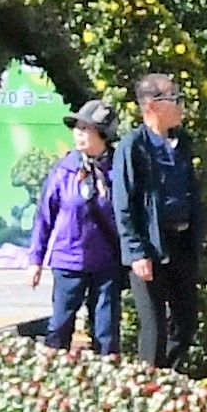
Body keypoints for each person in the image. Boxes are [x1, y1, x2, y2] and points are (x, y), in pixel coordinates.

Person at [117, 69, 207, 364]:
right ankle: (148, 384)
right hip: (150, 246)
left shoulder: (183, 143)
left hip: (181, 244)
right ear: (152, 105)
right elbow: (123, 203)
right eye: (174, 98)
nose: (180, 105)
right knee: (154, 327)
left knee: (186, 324)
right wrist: (136, 252)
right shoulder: (133, 146)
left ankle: (165, 378)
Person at [27, 106, 131, 354]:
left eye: (86, 128)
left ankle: (107, 373)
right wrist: (35, 260)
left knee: (106, 332)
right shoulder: (65, 168)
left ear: (103, 134)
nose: (78, 133)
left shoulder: (119, 169)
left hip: (107, 263)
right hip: (68, 260)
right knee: (59, 328)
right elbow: (44, 216)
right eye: (77, 128)